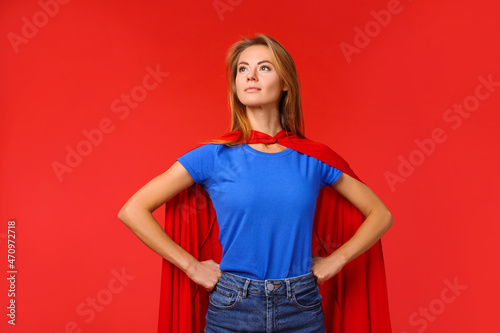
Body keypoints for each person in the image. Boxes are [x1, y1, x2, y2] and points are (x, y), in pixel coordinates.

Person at [118, 34, 394, 333]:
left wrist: (336, 260)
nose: (250, 75)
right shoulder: (213, 156)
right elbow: (133, 210)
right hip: (233, 305)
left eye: (264, 67)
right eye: (242, 69)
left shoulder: (314, 158)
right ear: (235, 86)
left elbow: (381, 214)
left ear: (285, 83)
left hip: (301, 305)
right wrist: (191, 266)